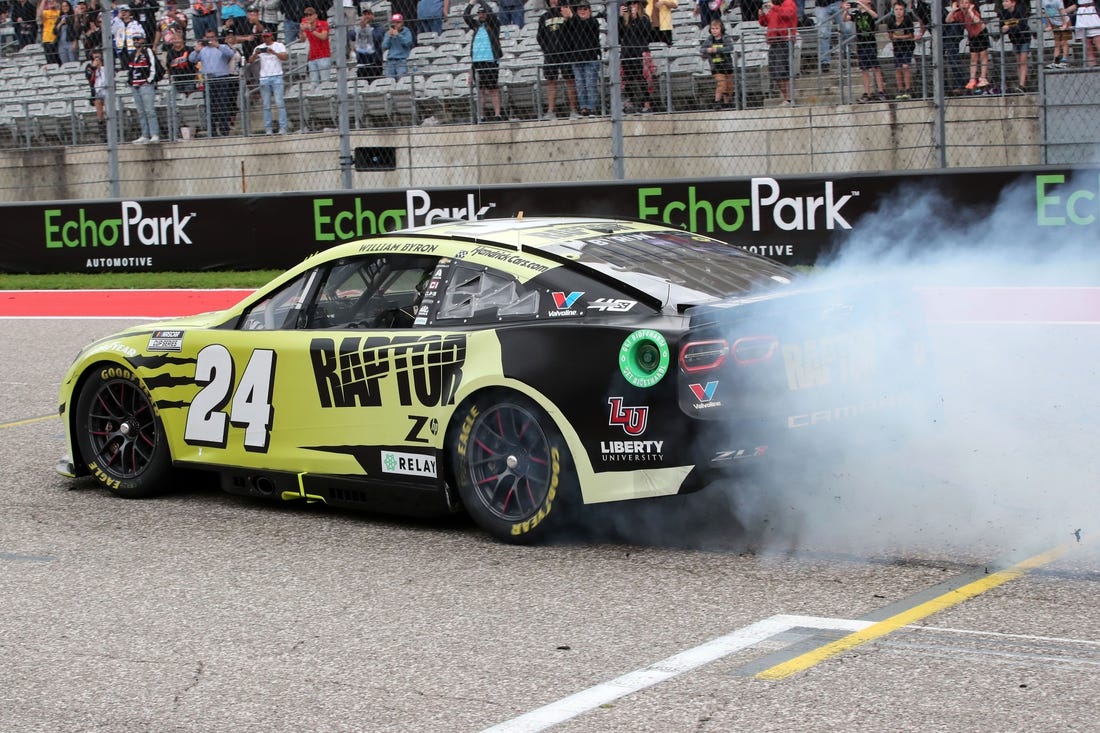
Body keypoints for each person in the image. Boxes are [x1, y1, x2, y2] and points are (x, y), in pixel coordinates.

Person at [190, 28, 237, 134]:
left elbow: (230, 54)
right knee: (209, 105)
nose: (210, 39)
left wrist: (218, 46)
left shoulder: (222, 47)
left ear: (215, 37)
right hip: (208, 79)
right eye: (208, 37)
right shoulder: (202, 49)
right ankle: (212, 130)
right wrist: (196, 50)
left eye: (212, 37)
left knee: (223, 104)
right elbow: (192, 59)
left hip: (222, 78)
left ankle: (224, 129)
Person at [463, 0, 503, 121]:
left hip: (490, 60)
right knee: (480, 90)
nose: (481, 15)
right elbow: (465, 16)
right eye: (479, 13)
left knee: (493, 88)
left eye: (483, 13)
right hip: (477, 61)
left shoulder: (494, 24)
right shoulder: (475, 26)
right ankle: (481, 115)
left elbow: (491, 14)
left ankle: (497, 114)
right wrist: (471, 4)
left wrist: (480, 1)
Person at [537, 0, 578, 119]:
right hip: (550, 54)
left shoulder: (566, 12)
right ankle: (550, 111)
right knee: (551, 81)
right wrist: (547, 49)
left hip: (566, 53)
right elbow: (540, 36)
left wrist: (569, 18)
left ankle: (573, 109)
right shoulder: (544, 17)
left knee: (569, 80)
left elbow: (575, 31)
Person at [248, 28, 289, 133]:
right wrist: (256, 54)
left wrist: (274, 53)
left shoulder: (279, 45)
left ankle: (283, 127)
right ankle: (268, 128)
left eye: (267, 36)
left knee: (279, 102)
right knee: (266, 104)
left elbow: (285, 57)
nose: (266, 38)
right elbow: (250, 61)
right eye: (264, 36)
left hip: (277, 75)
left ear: (271, 36)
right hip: (264, 77)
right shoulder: (259, 47)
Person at [566, 0, 601, 116]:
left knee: (590, 84)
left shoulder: (593, 22)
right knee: (580, 85)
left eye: (585, 9)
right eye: (580, 9)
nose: (582, 11)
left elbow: (584, 26)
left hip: (590, 58)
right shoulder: (572, 22)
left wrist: (573, 17)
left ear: (590, 10)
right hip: (577, 59)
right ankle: (583, 107)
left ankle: (592, 107)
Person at [127, 30, 162, 143]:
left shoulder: (148, 51)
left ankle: (154, 134)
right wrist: (130, 82)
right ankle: (145, 134)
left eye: (138, 39)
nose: (136, 41)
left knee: (149, 110)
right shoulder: (132, 54)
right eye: (134, 39)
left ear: (143, 39)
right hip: (135, 85)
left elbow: (154, 66)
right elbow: (130, 70)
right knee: (141, 111)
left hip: (145, 84)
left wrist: (149, 80)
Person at [759, 0, 796, 105]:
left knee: (782, 69)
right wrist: (762, 15)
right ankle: (787, 97)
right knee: (774, 70)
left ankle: (789, 98)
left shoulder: (789, 2)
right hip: (774, 41)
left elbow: (788, 14)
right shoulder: (774, 7)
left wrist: (774, 7)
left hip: (784, 39)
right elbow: (765, 22)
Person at [946, 0, 989, 91]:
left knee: (983, 56)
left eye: (966, 3)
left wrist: (970, 11)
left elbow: (977, 21)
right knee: (973, 58)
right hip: (972, 35)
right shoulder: (959, 14)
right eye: (961, 3)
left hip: (981, 34)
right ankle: (972, 79)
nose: (963, 5)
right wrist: (953, 10)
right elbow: (948, 20)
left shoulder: (973, 12)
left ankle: (983, 77)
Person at [846, 0, 884, 101]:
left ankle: (881, 92)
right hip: (861, 44)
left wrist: (863, 5)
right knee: (864, 69)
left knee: (876, 68)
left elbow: (875, 16)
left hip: (870, 43)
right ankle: (866, 93)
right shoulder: (856, 13)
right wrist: (845, 10)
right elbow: (845, 19)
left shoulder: (869, 11)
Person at [620, 0, 653, 112]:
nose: (632, 6)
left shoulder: (645, 18)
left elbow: (645, 32)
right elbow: (618, 34)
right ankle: (630, 104)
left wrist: (636, 18)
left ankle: (646, 104)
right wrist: (621, 17)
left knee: (642, 79)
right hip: (627, 52)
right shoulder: (624, 20)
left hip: (640, 51)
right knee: (627, 79)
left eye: (634, 3)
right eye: (629, 4)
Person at [700, 17, 734, 107]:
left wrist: (717, 49)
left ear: (721, 29)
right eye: (712, 29)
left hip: (727, 65)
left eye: (716, 29)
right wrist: (708, 50)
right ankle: (717, 101)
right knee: (721, 84)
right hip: (716, 66)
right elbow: (702, 49)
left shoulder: (725, 37)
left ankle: (727, 103)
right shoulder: (710, 39)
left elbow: (730, 48)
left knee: (729, 86)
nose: (714, 31)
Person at [884, 0, 914, 98]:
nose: (898, 12)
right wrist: (896, 37)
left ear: (904, 10)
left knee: (905, 66)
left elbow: (910, 35)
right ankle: (900, 89)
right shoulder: (890, 20)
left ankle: (908, 89)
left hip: (908, 46)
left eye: (901, 9)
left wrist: (898, 37)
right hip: (897, 47)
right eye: (896, 9)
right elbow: (890, 35)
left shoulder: (908, 19)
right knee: (898, 68)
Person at [814, 0, 854, 71]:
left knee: (847, 29)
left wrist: (845, 2)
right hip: (821, 6)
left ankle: (847, 51)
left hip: (837, 3)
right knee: (823, 34)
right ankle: (825, 61)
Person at [999, 0, 1030, 91]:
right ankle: (1021, 81)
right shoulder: (1003, 13)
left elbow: (1022, 24)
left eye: (1007, 1)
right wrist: (1008, 27)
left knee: (1023, 61)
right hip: (1014, 40)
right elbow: (1001, 25)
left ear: (1013, 3)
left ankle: (1022, 85)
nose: (1004, 3)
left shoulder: (1020, 10)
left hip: (1024, 38)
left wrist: (1009, 26)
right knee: (1018, 61)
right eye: (1003, 1)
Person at [300, 6, 332, 85]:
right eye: (306, 15)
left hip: (323, 56)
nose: (308, 17)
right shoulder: (306, 25)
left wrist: (311, 30)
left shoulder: (323, 24)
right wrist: (301, 30)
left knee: (325, 83)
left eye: (310, 15)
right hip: (312, 57)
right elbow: (303, 39)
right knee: (314, 84)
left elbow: (323, 37)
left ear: (315, 16)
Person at [353, 6, 385, 78]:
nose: (367, 16)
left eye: (369, 14)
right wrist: (361, 28)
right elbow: (352, 36)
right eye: (365, 14)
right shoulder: (359, 26)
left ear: (373, 15)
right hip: (361, 63)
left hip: (375, 62)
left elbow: (377, 37)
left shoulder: (378, 26)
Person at [84, 49, 109, 138]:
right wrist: (94, 67)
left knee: (109, 112)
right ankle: (103, 132)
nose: (97, 56)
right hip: (97, 92)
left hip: (107, 91)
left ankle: (111, 130)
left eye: (98, 54)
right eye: (94, 54)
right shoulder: (89, 66)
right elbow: (88, 77)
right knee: (99, 111)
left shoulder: (107, 64)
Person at [382, 11, 414, 77]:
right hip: (390, 60)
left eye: (398, 22)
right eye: (394, 22)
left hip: (401, 60)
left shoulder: (406, 31)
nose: (395, 24)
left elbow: (408, 43)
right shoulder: (388, 33)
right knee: (389, 81)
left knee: (401, 79)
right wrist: (389, 37)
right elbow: (384, 46)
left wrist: (398, 35)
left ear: (402, 23)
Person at [1068, 0, 1100, 66]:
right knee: (1087, 46)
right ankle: (1092, 67)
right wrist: (1062, 12)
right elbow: (1075, 5)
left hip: (1093, 13)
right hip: (1081, 15)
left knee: (1098, 41)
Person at [1042, 0, 1071, 67]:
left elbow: (1062, 12)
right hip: (1055, 23)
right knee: (1057, 43)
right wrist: (1049, 25)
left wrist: (1065, 24)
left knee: (1064, 42)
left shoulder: (1057, 1)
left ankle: (1064, 60)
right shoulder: (1044, 1)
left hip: (1064, 21)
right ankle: (1055, 61)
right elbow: (1046, 13)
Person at [38, 0, 62, 65]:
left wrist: (57, 5)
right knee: (51, 63)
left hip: (58, 40)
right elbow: (39, 14)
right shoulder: (46, 12)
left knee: (60, 61)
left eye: (53, 1)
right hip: (47, 39)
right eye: (49, 2)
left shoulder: (59, 12)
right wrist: (44, 1)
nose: (51, 2)